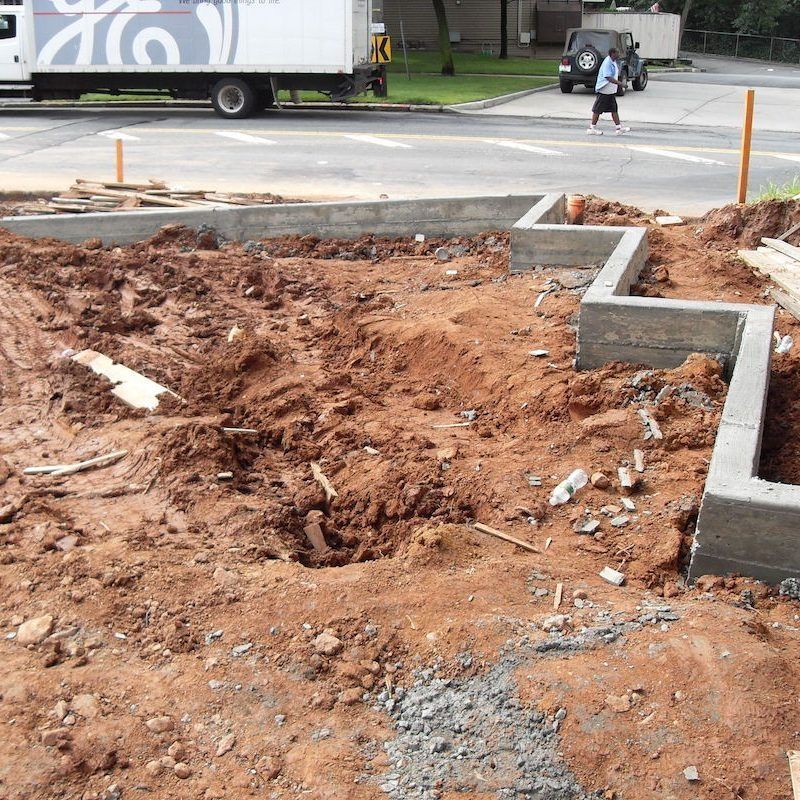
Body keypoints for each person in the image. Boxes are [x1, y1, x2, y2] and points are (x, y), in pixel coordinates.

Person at [587, 48, 631, 136]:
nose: (619, 54)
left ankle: (619, 128)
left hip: (610, 91)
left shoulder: (613, 61)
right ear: (612, 53)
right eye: (617, 53)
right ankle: (592, 128)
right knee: (597, 110)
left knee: (614, 109)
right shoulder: (607, 62)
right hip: (604, 90)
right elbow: (608, 77)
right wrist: (621, 84)